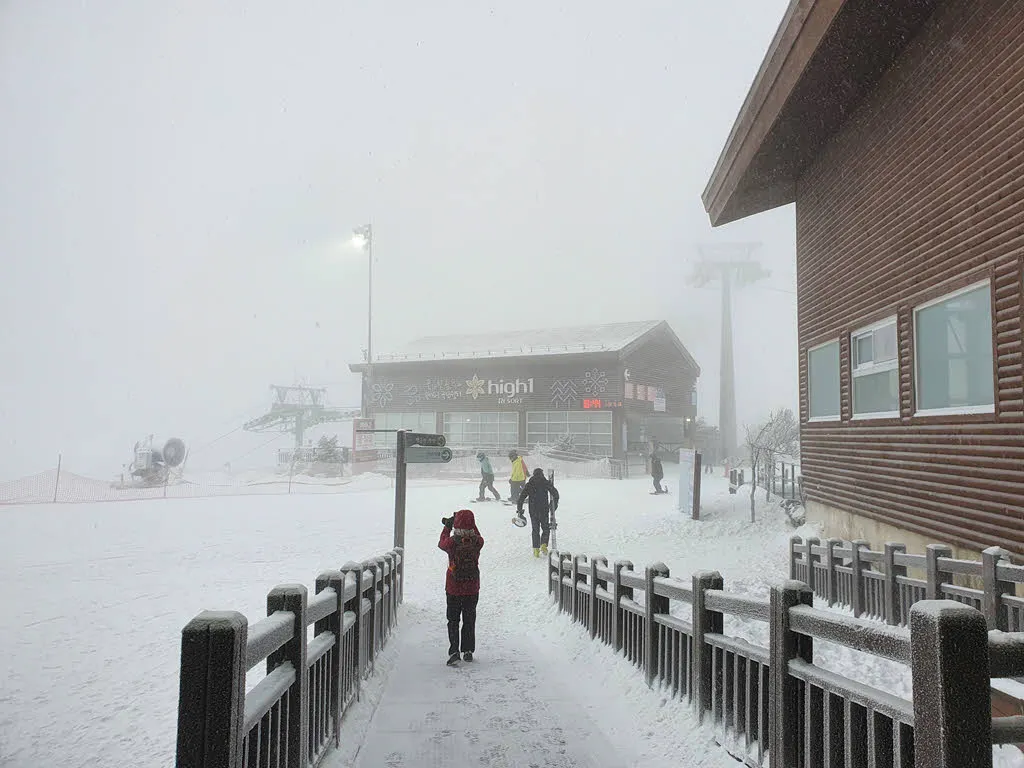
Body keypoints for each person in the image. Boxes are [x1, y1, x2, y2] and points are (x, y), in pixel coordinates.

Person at [438, 509, 484, 665]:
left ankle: (454, 651)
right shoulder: (477, 542)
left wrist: (448, 526)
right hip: (472, 587)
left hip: (453, 587)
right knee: (469, 619)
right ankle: (468, 650)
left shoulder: (452, 542)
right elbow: (478, 534)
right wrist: (470, 523)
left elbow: (441, 542)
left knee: (453, 620)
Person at [517, 468, 559, 558]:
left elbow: (521, 498)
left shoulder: (530, 484)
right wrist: (553, 505)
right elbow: (555, 494)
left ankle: (536, 549)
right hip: (544, 509)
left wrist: (520, 511)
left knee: (535, 530)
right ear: (542, 474)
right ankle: (543, 544)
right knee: (546, 528)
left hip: (533, 510)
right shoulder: (545, 482)